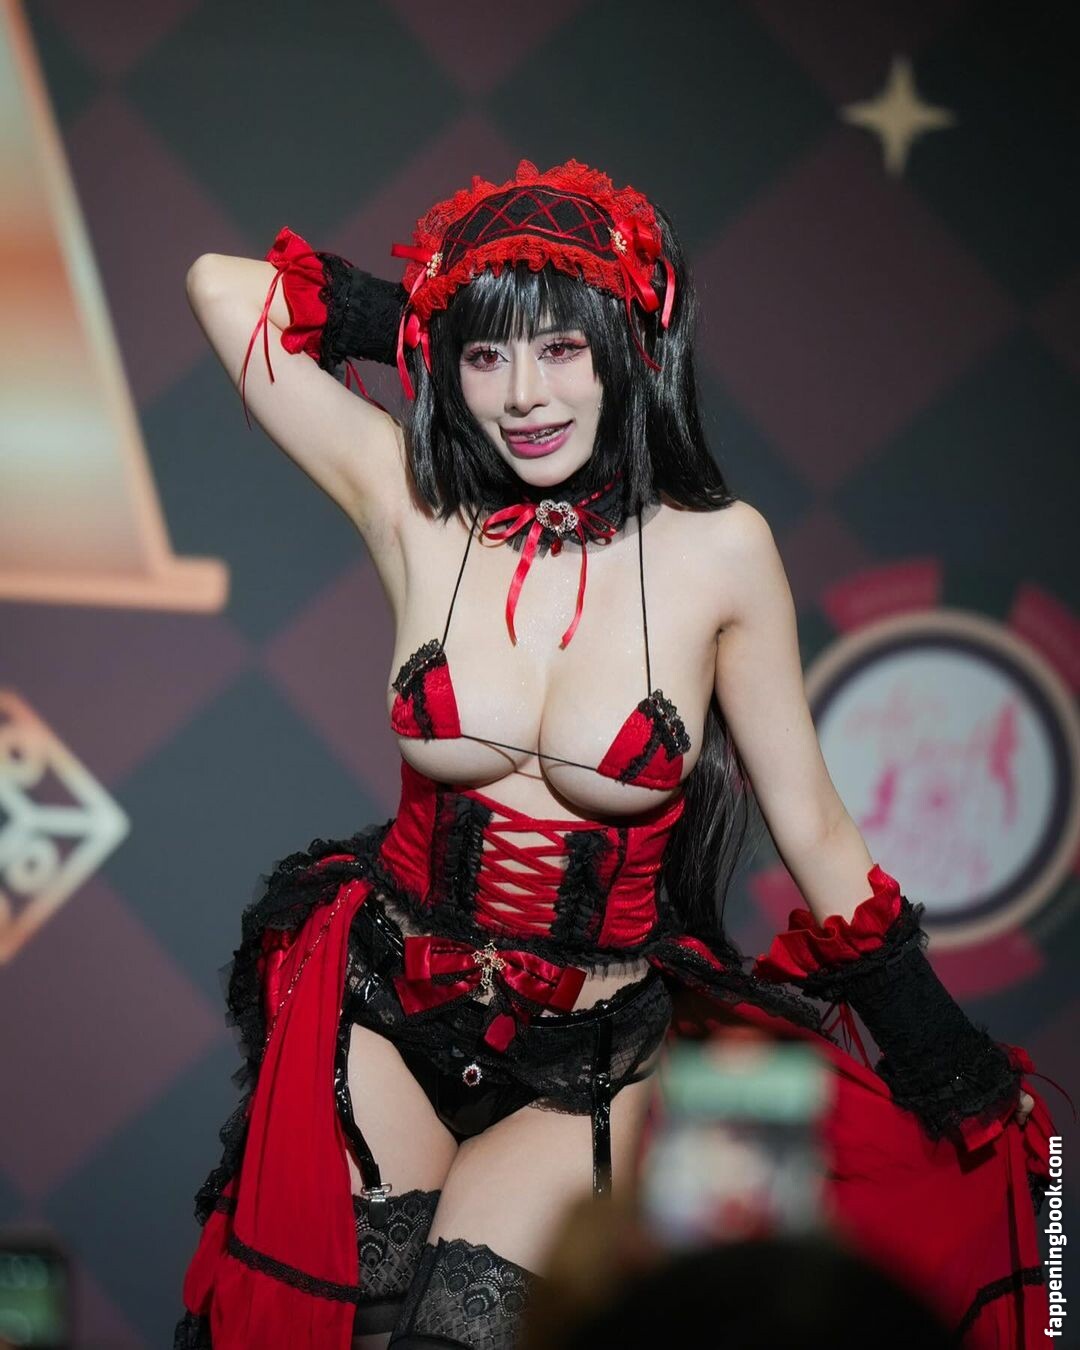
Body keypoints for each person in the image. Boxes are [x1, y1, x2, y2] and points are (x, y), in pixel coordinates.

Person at [175, 159, 1060, 1350]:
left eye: (562, 349)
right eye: (490, 358)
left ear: (629, 347)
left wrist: (945, 1057)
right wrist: (438, 316)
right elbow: (222, 286)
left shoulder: (720, 553)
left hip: (589, 1058)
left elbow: (812, 823)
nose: (524, 396)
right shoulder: (413, 503)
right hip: (384, 1012)